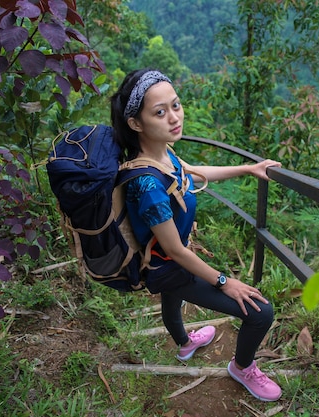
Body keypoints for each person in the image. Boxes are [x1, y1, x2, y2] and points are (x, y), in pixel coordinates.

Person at [110, 68, 283, 402]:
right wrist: (224, 282)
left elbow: (192, 173)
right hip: (170, 266)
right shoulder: (146, 184)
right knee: (261, 312)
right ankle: (242, 367)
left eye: (176, 105)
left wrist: (248, 168)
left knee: (172, 304)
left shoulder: (162, 155)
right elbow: (175, 250)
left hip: (167, 261)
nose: (174, 117)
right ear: (136, 123)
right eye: (160, 112)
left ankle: (186, 344)